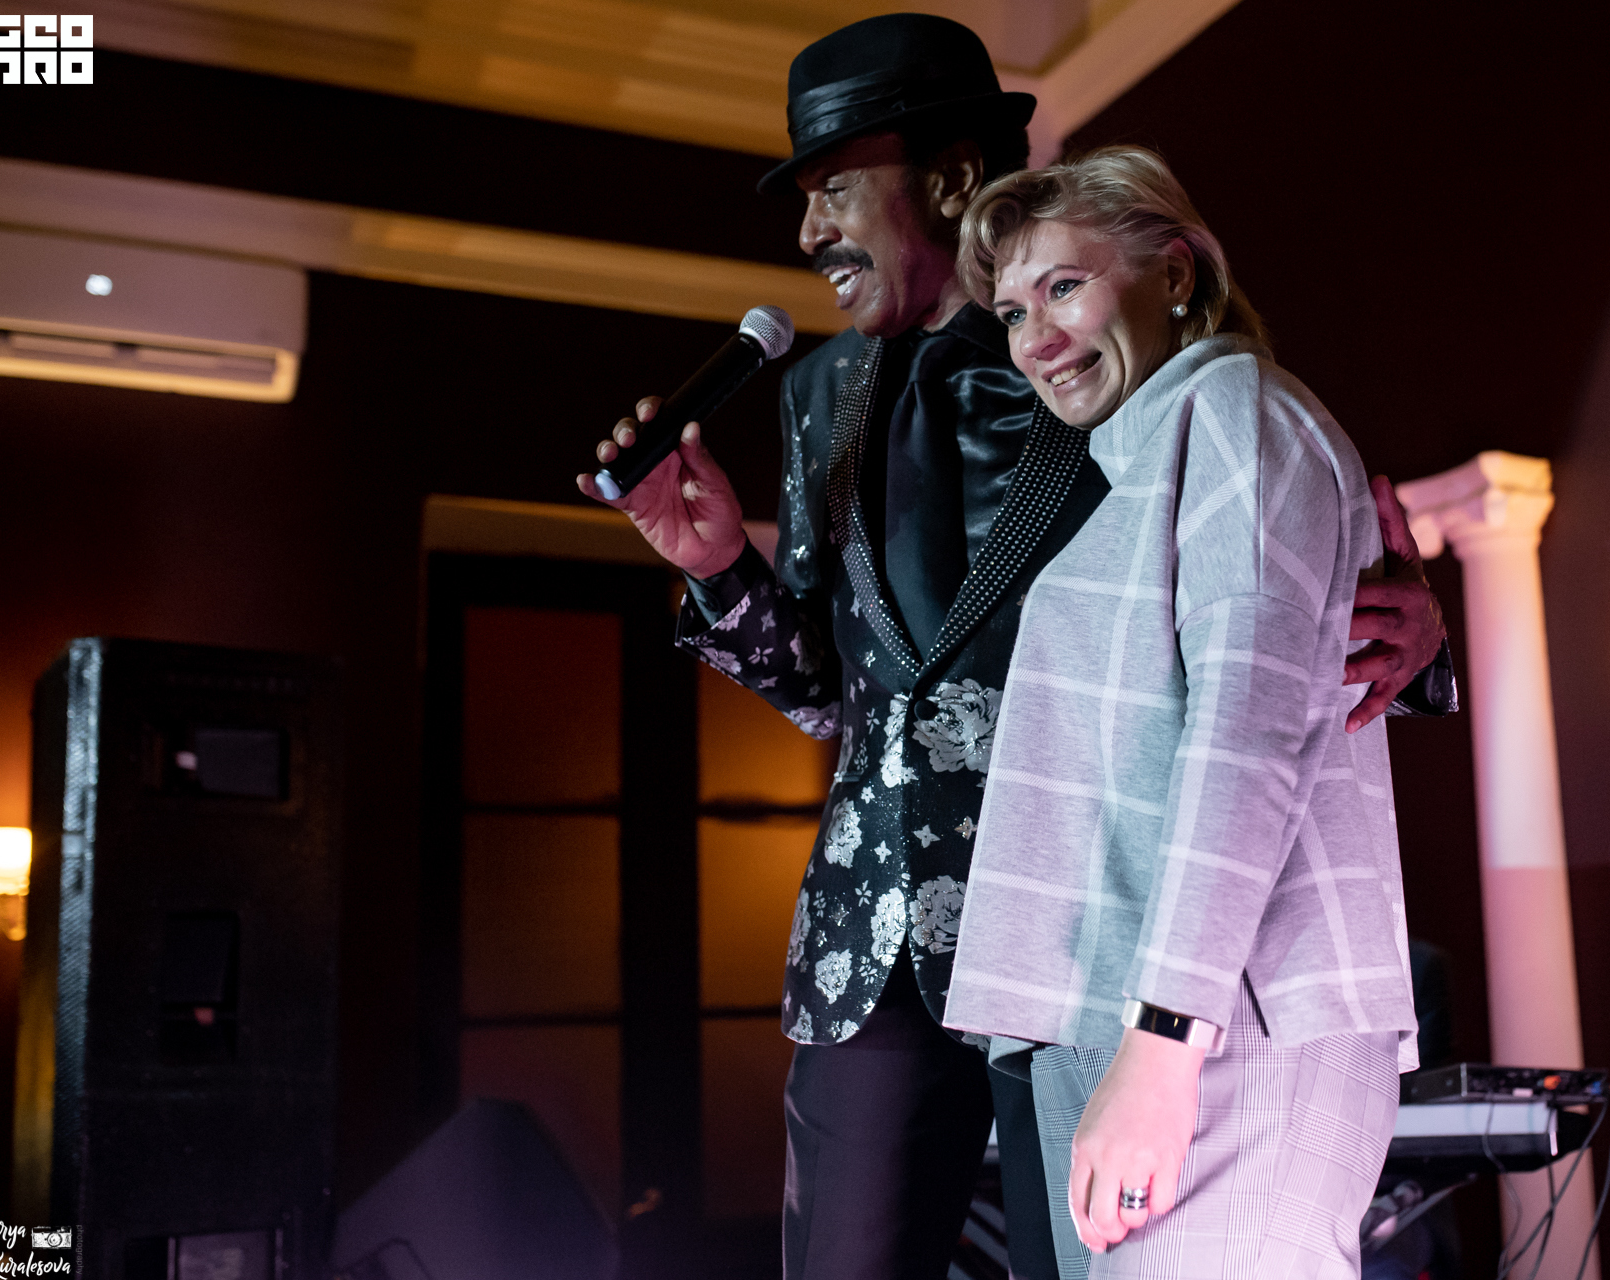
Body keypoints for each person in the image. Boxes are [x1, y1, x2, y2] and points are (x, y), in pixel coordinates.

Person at [576, 18, 1451, 1279]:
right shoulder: (817, 395)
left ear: (947, 178)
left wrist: (1412, 637)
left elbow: (1269, 608)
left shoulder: (1131, 364)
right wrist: (718, 570)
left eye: (834, 187)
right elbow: (839, 689)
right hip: (877, 934)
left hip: (1090, 916)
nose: (811, 231)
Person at [942, 146, 1420, 1280]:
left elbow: (1245, 736)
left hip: (1225, 1025)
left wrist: (1163, 1039)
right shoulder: (1147, 456)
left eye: (1064, 287)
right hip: (1136, 1017)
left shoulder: (1237, 411)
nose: (1035, 337)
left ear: (1175, 272)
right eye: (1012, 311)